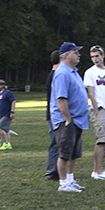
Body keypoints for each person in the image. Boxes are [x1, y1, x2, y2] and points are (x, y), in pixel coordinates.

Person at [51, 42, 89, 192]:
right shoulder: (62, 73)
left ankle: (70, 180)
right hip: (67, 120)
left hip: (77, 119)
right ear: (66, 55)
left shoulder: (73, 71)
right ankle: (63, 183)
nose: (79, 54)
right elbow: (61, 99)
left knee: (73, 153)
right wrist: (67, 119)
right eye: (75, 52)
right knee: (65, 153)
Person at [84, 45, 105, 181]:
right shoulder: (90, 72)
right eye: (92, 57)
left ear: (103, 56)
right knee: (101, 140)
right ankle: (98, 171)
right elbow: (90, 92)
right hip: (100, 109)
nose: (95, 59)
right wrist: (96, 108)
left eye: (97, 56)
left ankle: (98, 170)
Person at [45, 50, 61, 181]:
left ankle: (56, 169)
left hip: (52, 114)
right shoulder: (55, 75)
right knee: (55, 143)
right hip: (54, 114)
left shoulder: (53, 74)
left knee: (57, 142)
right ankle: (51, 171)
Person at [0, 79, 16, 149]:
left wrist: (12, 112)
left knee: (0, 128)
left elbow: (13, 101)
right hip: (2, 114)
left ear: (2, 85)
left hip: (7, 114)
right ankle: (9, 145)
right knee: (6, 130)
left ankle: (6, 143)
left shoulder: (7, 92)